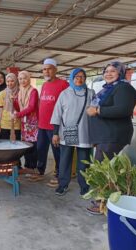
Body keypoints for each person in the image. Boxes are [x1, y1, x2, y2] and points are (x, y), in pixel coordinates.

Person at [86, 61, 136, 214]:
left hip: (113, 136)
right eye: (106, 71)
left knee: (102, 170)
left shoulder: (124, 88)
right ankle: (105, 200)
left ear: (120, 73)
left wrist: (98, 110)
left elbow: (123, 109)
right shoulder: (109, 89)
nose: (108, 73)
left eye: (112, 71)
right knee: (104, 168)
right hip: (105, 137)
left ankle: (102, 203)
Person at [51, 68, 94, 196]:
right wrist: (55, 132)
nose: (79, 79)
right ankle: (63, 184)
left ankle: (84, 186)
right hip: (69, 130)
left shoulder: (91, 93)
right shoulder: (65, 93)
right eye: (76, 77)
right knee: (65, 159)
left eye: (82, 77)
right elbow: (57, 114)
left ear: (85, 78)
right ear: (72, 78)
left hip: (85, 131)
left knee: (83, 160)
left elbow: (96, 113)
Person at [36, 58, 69, 186]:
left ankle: (59, 174)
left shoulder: (63, 84)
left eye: (49, 69)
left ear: (55, 70)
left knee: (57, 151)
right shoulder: (44, 85)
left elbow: (67, 105)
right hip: (42, 125)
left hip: (55, 126)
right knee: (41, 148)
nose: (46, 71)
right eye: (44, 69)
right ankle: (40, 171)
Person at [13, 71, 39, 173]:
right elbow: (18, 107)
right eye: (20, 79)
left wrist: (18, 115)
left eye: (25, 78)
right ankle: (27, 166)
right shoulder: (20, 92)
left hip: (33, 122)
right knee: (26, 144)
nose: (22, 81)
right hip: (24, 122)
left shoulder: (33, 91)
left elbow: (32, 107)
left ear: (29, 79)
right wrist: (14, 100)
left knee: (32, 145)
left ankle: (32, 167)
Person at [0, 73, 21, 140]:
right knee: (5, 146)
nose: (10, 83)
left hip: (17, 124)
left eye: (12, 81)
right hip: (5, 123)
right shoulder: (2, 93)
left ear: (16, 81)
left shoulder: (20, 92)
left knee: (16, 146)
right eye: (8, 81)